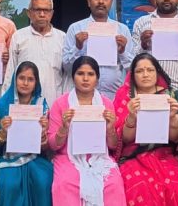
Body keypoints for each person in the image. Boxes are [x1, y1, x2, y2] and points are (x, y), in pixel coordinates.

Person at [49, 56, 125, 206]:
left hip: (100, 158)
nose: (85, 79)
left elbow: (113, 146)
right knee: (65, 183)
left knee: (113, 184)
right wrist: (64, 127)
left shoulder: (106, 104)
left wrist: (110, 128)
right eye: (80, 74)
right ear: (73, 77)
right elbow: (53, 145)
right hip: (68, 158)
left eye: (90, 74)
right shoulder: (61, 104)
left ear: (97, 79)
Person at [113, 53, 178, 205]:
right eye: (139, 71)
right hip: (133, 155)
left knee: (173, 184)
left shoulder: (171, 96)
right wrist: (131, 117)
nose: (145, 75)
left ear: (157, 72)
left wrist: (172, 118)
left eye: (150, 70)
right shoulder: (126, 96)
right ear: (132, 75)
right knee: (140, 185)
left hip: (163, 154)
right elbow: (125, 139)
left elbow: (176, 137)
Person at [0, 61, 53, 206]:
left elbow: (46, 146)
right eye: (21, 78)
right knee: (8, 184)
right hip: (8, 157)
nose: (25, 83)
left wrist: (43, 132)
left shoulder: (41, 105)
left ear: (36, 83)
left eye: (30, 79)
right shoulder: (2, 105)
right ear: (15, 80)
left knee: (43, 181)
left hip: (35, 157)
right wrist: (3, 132)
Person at [62, 0, 132, 99]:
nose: (101, 2)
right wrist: (77, 47)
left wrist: (122, 52)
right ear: (89, 1)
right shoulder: (76, 29)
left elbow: (132, 69)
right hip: (82, 96)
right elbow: (67, 68)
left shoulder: (122, 30)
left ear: (111, 2)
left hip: (114, 96)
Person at [3, 0, 68, 104]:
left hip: (54, 102)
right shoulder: (19, 37)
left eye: (46, 10)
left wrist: (63, 104)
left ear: (52, 14)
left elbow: (66, 76)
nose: (42, 14)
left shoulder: (62, 38)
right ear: (29, 13)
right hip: (25, 105)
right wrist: (7, 103)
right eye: (37, 10)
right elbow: (11, 72)